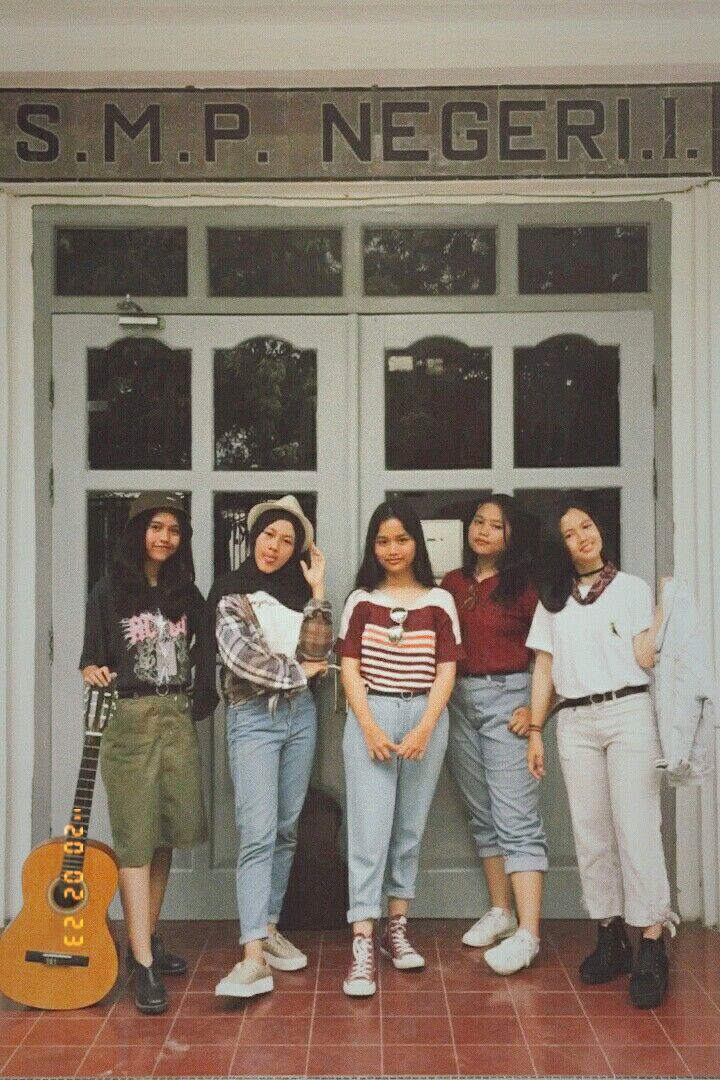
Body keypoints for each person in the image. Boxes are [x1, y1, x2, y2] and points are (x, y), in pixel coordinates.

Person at [526, 497, 675, 1009]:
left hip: (629, 714)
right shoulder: (553, 600)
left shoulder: (631, 589)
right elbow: (544, 666)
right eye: (570, 533)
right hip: (575, 721)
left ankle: (652, 939)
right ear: (560, 546)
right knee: (590, 832)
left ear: (600, 529)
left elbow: (645, 655)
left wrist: (663, 610)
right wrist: (534, 730)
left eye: (586, 526)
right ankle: (610, 935)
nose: (582, 537)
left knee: (636, 826)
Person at [80, 492, 208, 1015]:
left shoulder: (186, 592)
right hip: (129, 721)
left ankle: (145, 941)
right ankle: (144, 965)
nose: (165, 538)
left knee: (166, 838)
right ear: (138, 533)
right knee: (134, 839)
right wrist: (91, 670)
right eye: (156, 527)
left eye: (174, 530)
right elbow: (92, 658)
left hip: (176, 719)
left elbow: (212, 643)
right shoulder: (109, 591)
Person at [202, 495, 332, 999]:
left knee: (284, 829)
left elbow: (319, 648)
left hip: (301, 717)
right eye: (268, 535)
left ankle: (270, 925)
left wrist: (318, 588)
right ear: (254, 536)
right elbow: (241, 660)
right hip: (254, 717)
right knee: (257, 832)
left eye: (286, 540)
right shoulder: (230, 592)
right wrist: (300, 672)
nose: (274, 546)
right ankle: (252, 955)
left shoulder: (301, 593)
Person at [336, 499, 463, 997]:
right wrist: (367, 725)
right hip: (373, 715)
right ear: (374, 546)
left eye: (402, 539)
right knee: (369, 832)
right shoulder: (361, 600)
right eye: (383, 540)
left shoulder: (438, 600)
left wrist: (426, 726)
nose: (393, 549)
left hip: (424, 721)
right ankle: (363, 941)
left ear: (417, 544)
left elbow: (446, 667)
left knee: (408, 828)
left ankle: (397, 928)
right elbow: (348, 667)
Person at [442, 495, 547, 974]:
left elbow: (551, 651)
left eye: (496, 525)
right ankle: (501, 911)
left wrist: (538, 709)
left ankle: (529, 934)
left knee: (516, 816)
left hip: (509, 698)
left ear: (512, 535)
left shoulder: (526, 586)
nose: (483, 531)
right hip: (458, 700)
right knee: (482, 813)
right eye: (478, 522)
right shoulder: (453, 583)